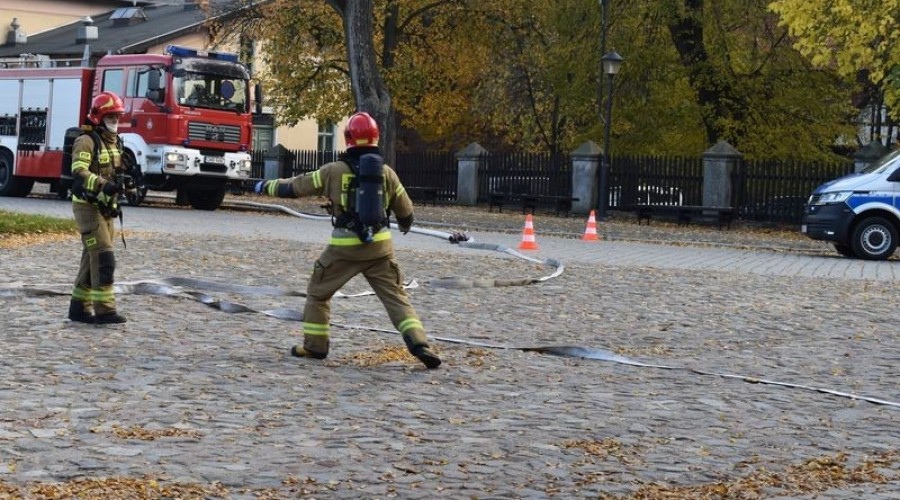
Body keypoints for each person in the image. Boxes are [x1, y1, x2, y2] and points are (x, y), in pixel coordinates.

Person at [254, 111, 441, 369]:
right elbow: (406, 211)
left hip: (344, 250)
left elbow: (295, 187)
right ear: (376, 138)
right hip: (380, 249)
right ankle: (420, 344)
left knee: (318, 293)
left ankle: (315, 347)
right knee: (396, 298)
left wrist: (264, 186)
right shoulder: (387, 173)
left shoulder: (333, 171)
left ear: (348, 138)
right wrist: (405, 224)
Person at [67, 91, 128, 324]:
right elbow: (79, 171)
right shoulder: (86, 140)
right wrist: (103, 184)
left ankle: (78, 309)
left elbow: (117, 170)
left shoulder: (116, 142)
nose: (115, 122)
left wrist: (128, 183)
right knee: (104, 258)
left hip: (106, 208)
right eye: (111, 117)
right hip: (87, 208)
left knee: (90, 259)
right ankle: (105, 311)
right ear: (98, 117)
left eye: (118, 117)